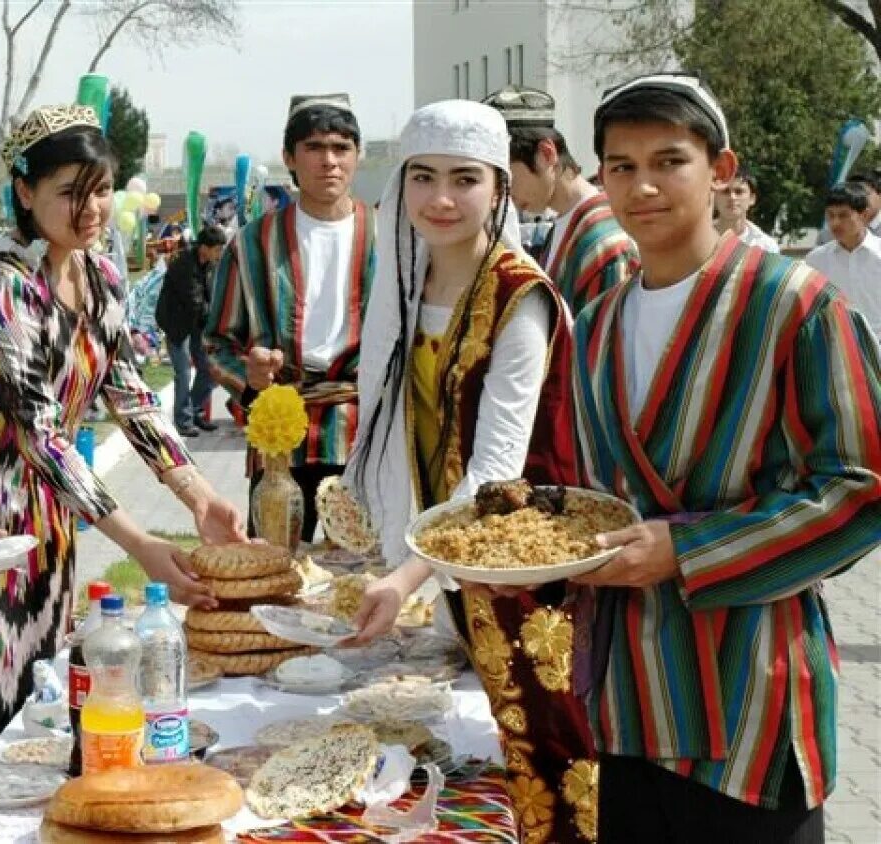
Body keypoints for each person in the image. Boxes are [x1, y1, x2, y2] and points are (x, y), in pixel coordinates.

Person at [571, 72, 881, 842]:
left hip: (748, 700)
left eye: (669, 160)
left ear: (721, 169)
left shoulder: (797, 304)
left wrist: (684, 548)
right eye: (620, 165)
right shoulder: (595, 323)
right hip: (625, 696)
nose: (643, 185)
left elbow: (861, 488)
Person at [0, 104, 246, 774]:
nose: (91, 207)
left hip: (51, 522)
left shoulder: (100, 277)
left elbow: (129, 394)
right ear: (24, 191)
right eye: (70, 191)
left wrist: (199, 494)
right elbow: (40, 432)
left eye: (100, 189)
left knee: (47, 711)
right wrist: (142, 544)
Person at [344, 99, 594, 843]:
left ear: (499, 190)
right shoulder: (404, 285)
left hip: (522, 581)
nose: (441, 199)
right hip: (447, 580)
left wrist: (405, 579)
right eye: (422, 177)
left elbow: (494, 469)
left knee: (545, 763)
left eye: (464, 179)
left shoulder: (521, 298)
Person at [206, 93, 375, 540]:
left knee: (361, 574)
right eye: (315, 148)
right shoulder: (252, 243)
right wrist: (251, 373)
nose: (329, 161)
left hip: (362, 430)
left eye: (342, 148)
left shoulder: (390, 239)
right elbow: (217, 342)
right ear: (289, 158)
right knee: (273, 572)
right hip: (280, 431)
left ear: (358, 155)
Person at [485, 86, 638, 316]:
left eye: (506, 176)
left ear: (546, 154)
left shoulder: (603, 244)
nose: (503, 192)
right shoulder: (565, 224)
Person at [155, 225, 227, 435]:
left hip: (196, 322)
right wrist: (216, 322)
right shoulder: (185, 264)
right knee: (184, 372)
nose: (219, 254)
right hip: (177, 323)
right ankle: (183, 422)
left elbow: (209, 296)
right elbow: (195, 301)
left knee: (209, 370)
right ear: (204, 247)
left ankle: (194, 411)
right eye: (217, 249)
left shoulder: (208, 263)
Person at [803, 181, 881, 338]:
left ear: (864, 215)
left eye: (843, 215)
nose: (835, 223)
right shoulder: (815, 260)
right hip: (835, 347)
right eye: (830, 215)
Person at [713, 164, 780, 252]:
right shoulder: (695, 239)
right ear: (714, 197)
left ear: (752, 199)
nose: (732, 197)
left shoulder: (766, 246)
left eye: (739, 192)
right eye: (725, 191)